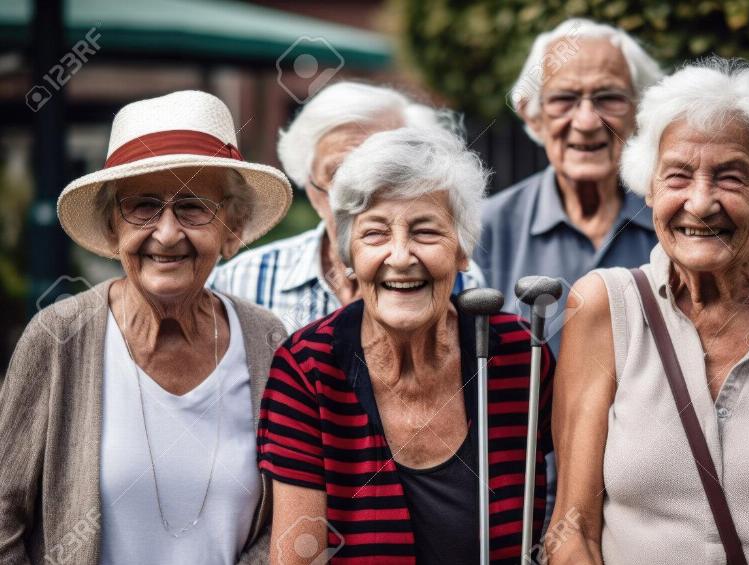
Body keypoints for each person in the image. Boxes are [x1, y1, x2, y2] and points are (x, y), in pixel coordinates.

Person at [548, 58, 749, 564]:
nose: (701, 202)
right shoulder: (604, 307)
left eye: (730, 177)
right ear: (650, 188)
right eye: (678, 176)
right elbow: (573, 529)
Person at [0, 90, 290, 564]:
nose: (168, 233)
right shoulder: (59, 337)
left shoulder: (268, 342)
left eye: (194, 207)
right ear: (114, 227)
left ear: (231, 227)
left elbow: (290, 516)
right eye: (144, 207)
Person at [257, 127, 555, 564]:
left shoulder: (515, 355)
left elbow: (577, 511)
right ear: (348, 257)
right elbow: (298, 557)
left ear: (463, 250)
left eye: (426, 232)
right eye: (375, 234)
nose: (400, 256)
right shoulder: (307, 368)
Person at [209, 82, 485, 334]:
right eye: (338, 173)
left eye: (384, 173)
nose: (356, 196)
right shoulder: (240, 280)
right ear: (308, 184)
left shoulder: (461, 282)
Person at [475, 18, 664, 356]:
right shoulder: (485, 229)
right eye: (564, 99)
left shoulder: (674, 222)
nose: (587, 121)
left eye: (609, 97)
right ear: (532, 115)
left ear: (639, 113)